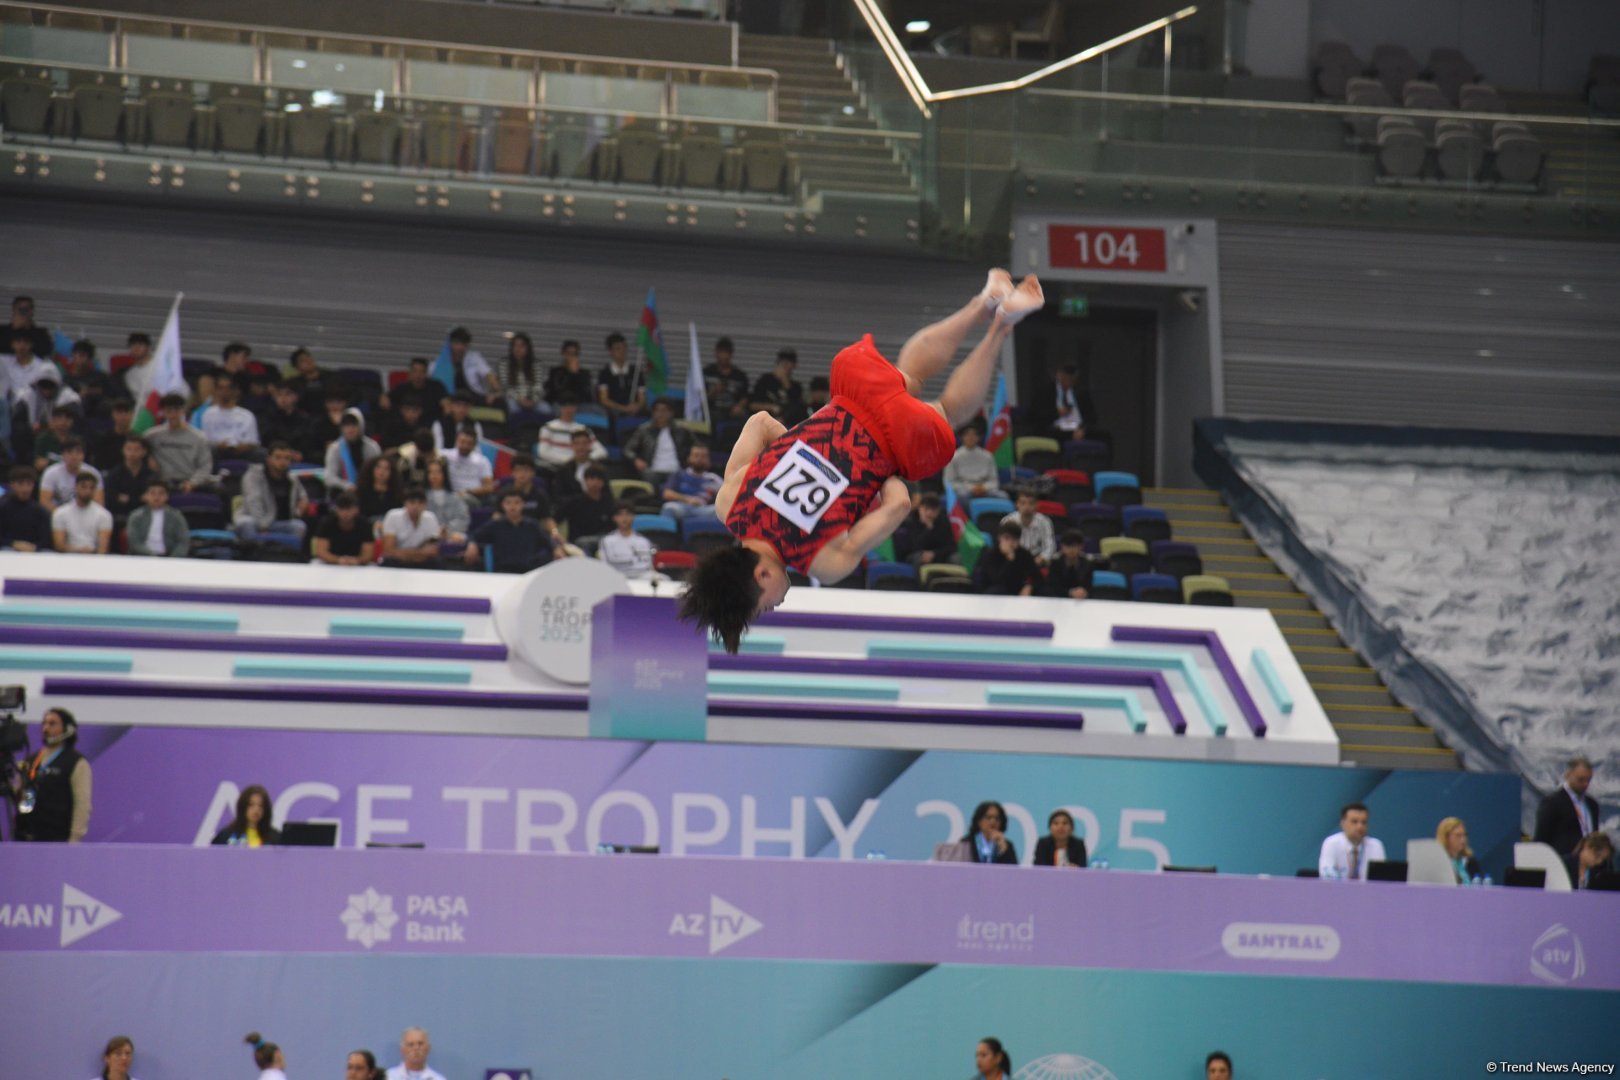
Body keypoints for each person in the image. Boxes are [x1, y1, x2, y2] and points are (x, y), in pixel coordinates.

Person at [682, 271, 1043, 651]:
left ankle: (1001, 327)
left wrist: (872, 473)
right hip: (852, 393)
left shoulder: (824, 562)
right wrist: (805, 447)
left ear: (762, 575)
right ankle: (986, 299)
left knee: (948, 410)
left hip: (890, 441)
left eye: (763, 607)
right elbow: (760, 423)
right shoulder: (730, 503)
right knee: (909, 373)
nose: (776, 605)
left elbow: (900, 502)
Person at [13, 707, 91, 842]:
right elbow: (24, 797)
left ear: (68, 729)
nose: (46, 728)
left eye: (52, 723)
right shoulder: (31, 760)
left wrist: (74, 838)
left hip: (58, 837)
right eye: (44, 723)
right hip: (27, 836)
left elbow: (82, 804)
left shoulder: (76, 762)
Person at [466, 490, 560, 573]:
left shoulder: (532, 525)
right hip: (503, 572)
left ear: (523, 504)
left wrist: (556, 549)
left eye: (517, 503)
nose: (513, 506)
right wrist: (472, 544)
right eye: (508, 503)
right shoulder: (495, 525)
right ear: (503, 505)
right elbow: (473, 536)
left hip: (528, 572)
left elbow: (548, 541)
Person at [234, 443, 310, 546]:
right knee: (245, 523)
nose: (283, 462)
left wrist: (303, 502)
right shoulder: (253, 475)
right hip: (255, 519)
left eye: (287, 458)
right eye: (278, 457)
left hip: (278, 523)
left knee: (299, 526)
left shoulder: (292, 478)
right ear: (268, 459)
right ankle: (252, 554)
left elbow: (303, 496)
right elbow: (254, 502)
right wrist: (262, 526)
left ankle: (289, 556)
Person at [145, 393, 216, 491]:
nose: (173, 415)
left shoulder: (199, 438)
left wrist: (193, 483)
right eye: (169, 411)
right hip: (162, 486)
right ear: (163, 412)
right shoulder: (151, 436)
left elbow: (205, 466)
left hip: (190, 484)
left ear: (183, 411)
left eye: (177, 410)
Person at [1534, 755, 1599, 857]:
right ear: (1568, 775)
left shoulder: (1592, 805)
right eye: (1581, 779)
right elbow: (1541, 839)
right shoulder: (1552, 803)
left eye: (1588, 780)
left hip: (1589, 862)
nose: (1586, 784)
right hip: (1562, 862)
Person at [624, 397, 692, 486]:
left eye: (664, 410)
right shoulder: (644, 430)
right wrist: (636, 459)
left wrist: (690, 459)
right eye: (657, 411)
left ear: (671, 413)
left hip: (676, 470)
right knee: (648, 476)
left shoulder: (682, 430)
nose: (660, 414)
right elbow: (628, 449)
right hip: (652, 470)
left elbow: (696, 446)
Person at [1319, 801, 1385, 880]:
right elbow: (1326, 875)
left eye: (1364, 822)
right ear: (1343, 823)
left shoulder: (1376, 845)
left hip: (1368, 891)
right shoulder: (1331, 843)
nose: (1360, 827)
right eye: (1354, 822)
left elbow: (1380, 879)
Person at [199, 377, 262, 461]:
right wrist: (219, 445)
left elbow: (252, 442)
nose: (224, 392)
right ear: (215, 391)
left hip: (242, 452)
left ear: (234, 391)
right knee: (209, 451)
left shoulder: (247, 415)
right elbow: (206, 440)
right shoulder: (208, 414)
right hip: (217, 451)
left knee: (261, 453)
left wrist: (240, 447)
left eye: (228, 388)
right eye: (221, 388)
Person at [535, 394, 606, 468]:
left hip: (580, 467)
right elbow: (543, 452)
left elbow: (601, 451)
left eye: (572, 406)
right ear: (560, 407)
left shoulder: (583, 429)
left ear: (576, 408)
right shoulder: (548, 427)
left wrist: (584, 459)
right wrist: (568, 461)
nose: (569, 409)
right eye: (565, 406)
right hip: (554, 467)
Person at [127, 477, 191, 557]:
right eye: (152, 493)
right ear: (145, 496)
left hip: (168, 558)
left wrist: (173, 560)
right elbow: (134, 543)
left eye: (161, 493)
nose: (156, 497)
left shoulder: (176, 516)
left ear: (167, 496)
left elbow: (183, 541)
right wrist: (152, 556)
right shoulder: (136, 516)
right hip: (142, 558)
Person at [943, 422, 1004, 505]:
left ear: (978, 438)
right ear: (962, 437)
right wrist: (971, 488)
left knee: (1003, 497)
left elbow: (994, 481)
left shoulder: (987, 456)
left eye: (974, 435)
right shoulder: (954, 457)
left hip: (985, 490)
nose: (971, 438)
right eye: (967, 435)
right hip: (964, 490)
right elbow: (949, 482)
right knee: (961, 498)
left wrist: (984, 488)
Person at [260, 380, 321, 463]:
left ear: (296, 396)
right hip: (274, 457)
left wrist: (301, 454)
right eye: (279, 395)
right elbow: (267, 440)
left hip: (300, 457)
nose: (283, 398)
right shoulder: (267, 417)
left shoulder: (306, 419)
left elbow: (309, 442)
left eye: (287, 394)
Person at [52, 471, 113, 554]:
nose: (88, 491)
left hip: (94, 558)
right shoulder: (60, 513)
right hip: (67, 558)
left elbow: (103, 548)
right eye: (83, 487)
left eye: (91, 488)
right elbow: (59, 545)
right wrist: (79, 550)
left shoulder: (104, 515)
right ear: (75, 487)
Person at [381, 487, 443, 568]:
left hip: (421, 561)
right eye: (412, 502)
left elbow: (432, 551)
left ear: (425, 505)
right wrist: (419, 553)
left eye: (420, 503)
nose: (416, 506)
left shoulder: (431, 518)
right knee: (388, 561)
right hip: (398, 560)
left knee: (438, 562)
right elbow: (388, 550)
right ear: (405, 503)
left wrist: (409, 554)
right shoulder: (393, 516)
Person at [974, 522, 1040, 596]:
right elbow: (997, 581)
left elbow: (1038, 578)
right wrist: (1009, 560)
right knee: (998, 590)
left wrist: (1029, 586)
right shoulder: (991, 555)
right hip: (993, 592)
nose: (1010, 543)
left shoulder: (1024, 554)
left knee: (1043, 591)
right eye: (1007, 538)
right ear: (999, 538)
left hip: (1017, 590)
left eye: (1014, 539)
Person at [103, 434, 160, 521]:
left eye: (136, 449)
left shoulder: (151, 475)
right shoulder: (114, 474)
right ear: (123, 450)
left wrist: (127, 499)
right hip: (120, 517)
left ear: (144, 452)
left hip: (146, 517)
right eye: (129, 449)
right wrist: (138, 499)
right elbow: (111, 499)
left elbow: (150, 499)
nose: (132, 453)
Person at [661, 443, 723, 522]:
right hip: (683, 507)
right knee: (668, 507)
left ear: (708, 459)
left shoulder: (714, 478)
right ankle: (667, 534)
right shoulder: (679, 474)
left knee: (720, 510)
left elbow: (728, 495)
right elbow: (667, 494)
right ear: (689, 458)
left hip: (704, 509)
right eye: (696, 456)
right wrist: (688, 499)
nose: (699, 459)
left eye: (703, 456)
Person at [324, 409, 381, 492]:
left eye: (354, 425)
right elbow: (329, 478)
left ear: (361, 426)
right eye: (346, 425)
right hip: (343, 494)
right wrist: (347, 486)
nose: (350, 429)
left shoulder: (372, 447)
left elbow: (378, 471)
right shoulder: (335, 449)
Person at [39, 437, 103, 511]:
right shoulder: (51, 473)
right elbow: (44, 502)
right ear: (63, 455)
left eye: (78, 452)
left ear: (83, 455)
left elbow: (99, 502)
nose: (74, 456)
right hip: (60, 516)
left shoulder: (93, 473)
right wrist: (64, 516)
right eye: (69, 452)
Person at [559, 465, 614, 551]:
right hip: (578, 542)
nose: (595, 483)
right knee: (584, 543)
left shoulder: (609, 503)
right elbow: (554, 519)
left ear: (603, 483)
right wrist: (559, 538)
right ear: (585, 481)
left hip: (603, 540)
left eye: (599, 479)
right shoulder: (574, 502)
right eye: (592, 478)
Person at [893, 491, 955, 566]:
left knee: (955, 558)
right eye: (926, 509)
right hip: (916, 554)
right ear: (920, 508)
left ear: (938, 510)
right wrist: (928, 529)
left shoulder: (944, 521)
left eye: (933, 510)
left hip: (939, 555)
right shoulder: (911, 521)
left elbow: (951, 546)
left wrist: (934, 554)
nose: (929, 513)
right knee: (920, 558)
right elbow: (915, 546)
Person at [313, 492, 375, 565]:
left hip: (357, 563)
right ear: (336, 509)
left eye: (348, 509)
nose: (345, 513)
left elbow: (368, 554)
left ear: (356, 509)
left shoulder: (365, 524)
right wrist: (338, 560)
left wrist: (358, 560)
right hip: (330, 562)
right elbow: (321, 551)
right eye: (341, 509)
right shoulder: (327, 523)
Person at [0, 465, 52, 551]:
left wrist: (35, 546)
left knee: (48, 552)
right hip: (8, 549)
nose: (25, 489)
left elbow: (46, 540)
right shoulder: (3, 508)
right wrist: (13, 544)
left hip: (34, 550)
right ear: (12, 485)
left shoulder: (40, 511)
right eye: (20, 484)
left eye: (29, 484)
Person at [597, 330, 645, 422]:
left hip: (634, 408)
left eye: (624, 347)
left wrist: (637, 406)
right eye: (618, 348)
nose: (622, 351)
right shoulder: (605, 373)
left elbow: (642, 398)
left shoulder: (636, 372)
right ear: (610, 351)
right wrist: (624, 408)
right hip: (615, 409)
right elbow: (604, 399)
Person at [599, 501, 656, 579]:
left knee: (661, 579)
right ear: (614, 518)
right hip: (617, 577)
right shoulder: (607, 541)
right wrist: (632, 560)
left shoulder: (643, 541)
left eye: (628, 514)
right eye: (620, 514)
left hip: (641, 576)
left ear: (633, 517)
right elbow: (605, 566)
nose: (624, 518)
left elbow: (647, 564)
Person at [445, 326, 499, 406]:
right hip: (451, 397)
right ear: (450, 344)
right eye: (456, 343)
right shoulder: (443, 361)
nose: (459, 347)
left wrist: (495, 390)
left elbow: (488, 374)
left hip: (473, 396)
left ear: (467, 345)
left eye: (463, 344)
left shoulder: (475, 358)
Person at [750, 347, 806, 425]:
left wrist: (785, 382)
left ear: (794, 365)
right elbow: (753, 405)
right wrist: (772, 407)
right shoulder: (765, 380)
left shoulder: (796, 387)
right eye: (782, 361)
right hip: (765, 421)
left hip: (787, 425)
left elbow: (798, 407)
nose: (785, 364)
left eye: (789, 361)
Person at [211, 784, 281, 846]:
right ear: (242, 807)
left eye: (261, 806)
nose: (256, 810)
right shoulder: (226, 835)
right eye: (251, 805)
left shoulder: (275, 837)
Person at [501, 331, 545, 428]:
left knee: (546, 410)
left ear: (528, 348)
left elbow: (539, 386)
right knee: (513, 408)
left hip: (532, 399)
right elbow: (506, 387)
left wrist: (533, 400)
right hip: (513, 398)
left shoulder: (536, 364)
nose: (518, 349)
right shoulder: (504, 364)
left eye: (522, 346)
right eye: (516, 346)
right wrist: (520, 399)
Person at [1002, 487, 1056, 562]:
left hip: (1037, 560)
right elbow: (1003, 546)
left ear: (1037, 505)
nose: (1027, 507)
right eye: (1023, 503)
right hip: (1014, 560)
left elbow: (1049, 547)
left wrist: (1041, 558)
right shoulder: (1007, 521)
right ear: (1017, 504)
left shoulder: (1044, 522)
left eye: (1031, 503)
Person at [704, 336, 751, 420]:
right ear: (716, 353)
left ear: (731, 354)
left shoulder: (739, 376)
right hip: (712, 410)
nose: (724, 356)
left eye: (726, 353)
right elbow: (700, 398)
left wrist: (739, 406)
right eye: (721, 352)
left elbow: (745, 397)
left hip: (732, 410)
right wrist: (714, 391)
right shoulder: (707, 372)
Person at [445, 424, 495, 502]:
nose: (464, 446)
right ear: (457, 441)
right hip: (450, 496)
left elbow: (489, 487)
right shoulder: (446, 455)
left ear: (474, 444)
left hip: (473, 497)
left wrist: (468, 492)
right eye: (462, 442)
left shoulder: (482, 461)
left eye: (469, 443)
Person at [424, 458, 470, 541]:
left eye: (438, 472)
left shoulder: (455, 497)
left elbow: (462, 518)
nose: (434, 475)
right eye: (431, 472)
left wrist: (447, 529)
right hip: (427, 535)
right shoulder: (422, 497)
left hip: (451, 533)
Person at [962, 800, 1018, 864]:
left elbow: (1013, 871)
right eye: (988, 817)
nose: (993, 822)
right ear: (979, 821)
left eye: (997, 818)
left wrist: (1004, 851)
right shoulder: (966, 843)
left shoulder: (1007, 845)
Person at [544, 338, 594, 409]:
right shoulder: (556, 371)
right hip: (560, 403)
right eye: (569, 353)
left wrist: (575, 374)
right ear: (563, 354)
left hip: (579, 404)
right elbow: (556, 391)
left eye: (574, 354)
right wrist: (570, 374)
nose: (572, 357)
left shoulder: (584, 373)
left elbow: (586, 394)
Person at [91, 398, 137, 471]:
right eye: (119, 412)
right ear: (113, 415)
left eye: (126, 412)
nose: (123, 416)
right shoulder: (103, 438)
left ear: (132, 415)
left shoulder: (137, 439)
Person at [1044, 529, 1092, 599]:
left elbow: (1089, 586)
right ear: (1062, 546)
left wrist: (1084, 592)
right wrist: (1070, 592)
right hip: (1059, 600)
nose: (1071, 549)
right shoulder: (1055, 563)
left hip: (1081, 601)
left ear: (1081, 546)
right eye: (1068, 546)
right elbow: (1053, 587)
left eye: (1075, 546)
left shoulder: (1087, 563)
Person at [1436, 816, 1482, 884]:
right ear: (1445, 837)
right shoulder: (1437, 863)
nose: (1463, 840)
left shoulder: (1470, 862)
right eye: (1458, 835)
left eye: (1465, 835)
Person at [357, 455, 404, 522]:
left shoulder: (397, 493)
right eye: (378, 467)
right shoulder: (361, 492)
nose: (382, 471)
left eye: (386, 468)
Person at [32, 404, 77, 471]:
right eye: (59, 417)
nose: (63, 420)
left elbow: (79, 463)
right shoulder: (43, 439)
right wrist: (65, 463)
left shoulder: (77, 440)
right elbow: (39, 464)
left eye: (67, 417)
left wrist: (49, 462)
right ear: (52, 420)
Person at [7, 295, 53, 360]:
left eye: (26, 309)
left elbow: (45, 352)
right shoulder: (3, 332)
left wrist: (27, 329)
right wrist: (14, 329)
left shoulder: (41, 334)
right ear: (14, 309)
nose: (23, 313)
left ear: (32, 311)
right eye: (20, 309)